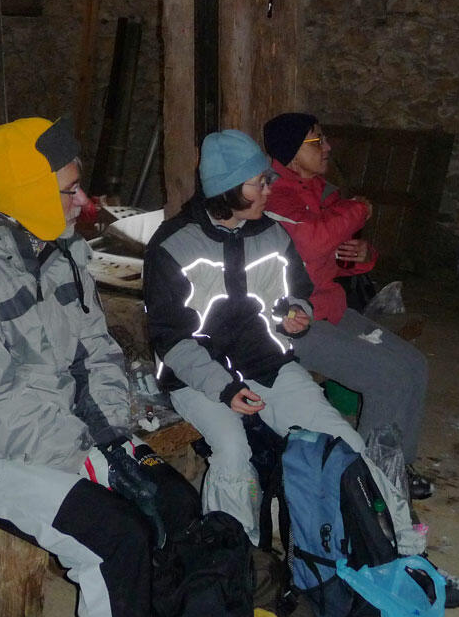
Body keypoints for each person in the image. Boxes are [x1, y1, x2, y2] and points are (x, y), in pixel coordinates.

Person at [0, 116, 198, 617]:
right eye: (70, 189)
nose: (83, 201)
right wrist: (83, 458)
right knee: (116, 538)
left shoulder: (61, 250)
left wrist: (112, 435)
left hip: (71, 430)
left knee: (176, 505)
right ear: (28, 192)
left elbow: (97, 348)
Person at [142, 128, 417, 550]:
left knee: (343, 440)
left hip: (266, 364)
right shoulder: (174, 244)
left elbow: (295, 293)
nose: (269, 189)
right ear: (228, 188)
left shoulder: (269, 233)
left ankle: (394, 545)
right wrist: (224, 388)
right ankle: (234, 558)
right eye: (259, 182)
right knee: (233, 451)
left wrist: (295, 315)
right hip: (198, 378)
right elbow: (171, 339)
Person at [262, 112, 433, 500]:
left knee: (413, 365)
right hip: (289, 321)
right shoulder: (275, 194)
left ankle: (395, 465)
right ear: (291, 152)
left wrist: (360, 256)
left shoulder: (319, 192)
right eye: (316, 141)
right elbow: (311, 242)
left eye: (324, 139)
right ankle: (370, 481)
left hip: (328, 307)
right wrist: (359, 210)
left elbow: (329, 255)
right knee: (386, 377)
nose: (327, 147)